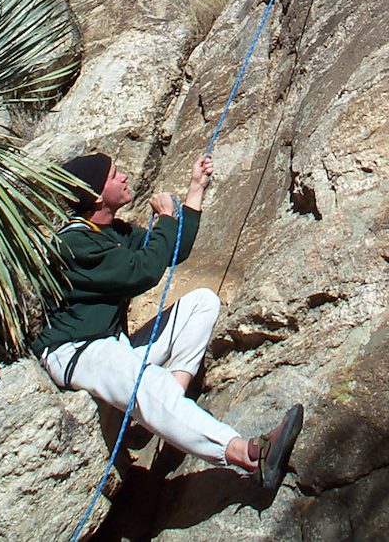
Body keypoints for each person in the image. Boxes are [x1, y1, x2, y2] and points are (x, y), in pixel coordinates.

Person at [32, 151, 303, 494]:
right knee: (148, 384)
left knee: (202, 302)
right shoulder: (74, 243)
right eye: (114, 175)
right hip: (79, 351)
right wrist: (164, 217)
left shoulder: (111, 231)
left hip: (110, 344)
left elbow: (172, 250)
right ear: (97, 196)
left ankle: (167, 407)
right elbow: (142, 271)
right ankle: (247, 454)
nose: (124, 176)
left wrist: (196, 189)